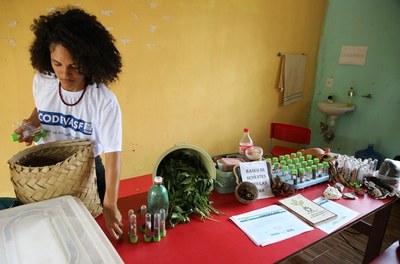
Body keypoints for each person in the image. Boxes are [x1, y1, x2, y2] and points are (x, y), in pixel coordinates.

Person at [15, 6, 123, 240]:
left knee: (86, 237)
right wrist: (31, 126)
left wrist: (110, 203)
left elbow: (113, 156)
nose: (65, 74)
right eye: (57, 64)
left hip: (88, 175)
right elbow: (40, 110)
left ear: (91, 61)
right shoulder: (43, 80)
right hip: (46, 175)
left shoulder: (103, 101)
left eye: (75, 66)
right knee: (51, 237)